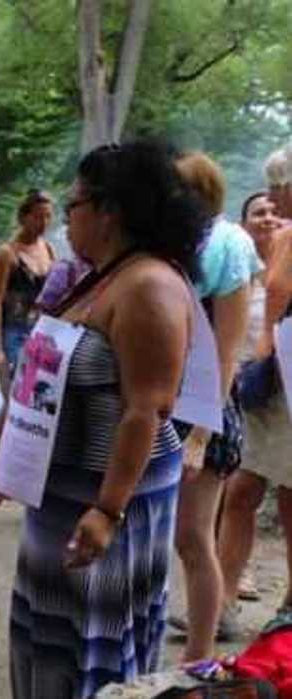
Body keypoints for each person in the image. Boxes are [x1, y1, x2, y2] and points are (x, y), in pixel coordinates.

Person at [0, 140, 204, 698]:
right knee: (50, 640)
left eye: (74, 205)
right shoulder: (104, 276)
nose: (66, 220)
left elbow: (147, 408)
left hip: (109, 505)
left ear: (110, 210)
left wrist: (107, 510)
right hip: (62, 499)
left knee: (93, 648)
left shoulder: (149, 286)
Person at [165, 153, 263, 660]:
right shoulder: (173, 242)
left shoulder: (229, 245)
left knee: (192, 538)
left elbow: (227, 352)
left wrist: (200, 435)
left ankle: (197, 660)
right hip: (162, 405)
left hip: (204, 411)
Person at [218, 159, 292, 628]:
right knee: (244, 488)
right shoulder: (281, 238)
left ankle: (286, 605)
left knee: (285, 495)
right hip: (270, 384)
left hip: (285, 385)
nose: (274, 197)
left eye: (278, 187)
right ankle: (223, 601)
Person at [0, 190, 55, 475]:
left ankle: (11, 460)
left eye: (48, 216)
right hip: (12, 333)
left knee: (32, 402)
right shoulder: (7, 254)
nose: (44, 221)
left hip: (39, 335)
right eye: (38, 215)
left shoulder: (48, 249)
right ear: (24, 216)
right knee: (13, 399)